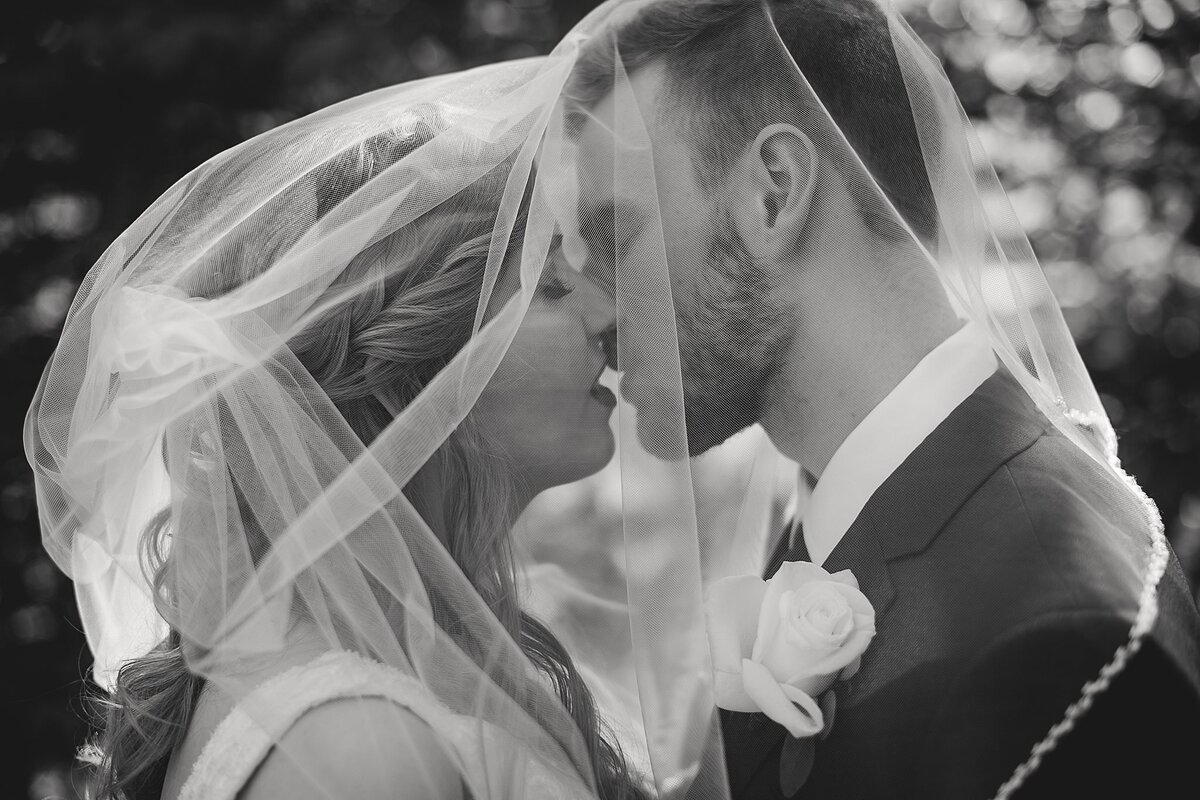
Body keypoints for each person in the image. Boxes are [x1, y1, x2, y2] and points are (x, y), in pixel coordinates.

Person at [564, 0, 1200, 798]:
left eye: (618, 239)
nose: (592, 310)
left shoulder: (1055, 638)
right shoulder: (842, 518)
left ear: (774, 193)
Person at [25, 76, 651, 798]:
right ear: (420, 355)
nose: (610, 313)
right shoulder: (361, 750)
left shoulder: (377, 688)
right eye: (551, 285)